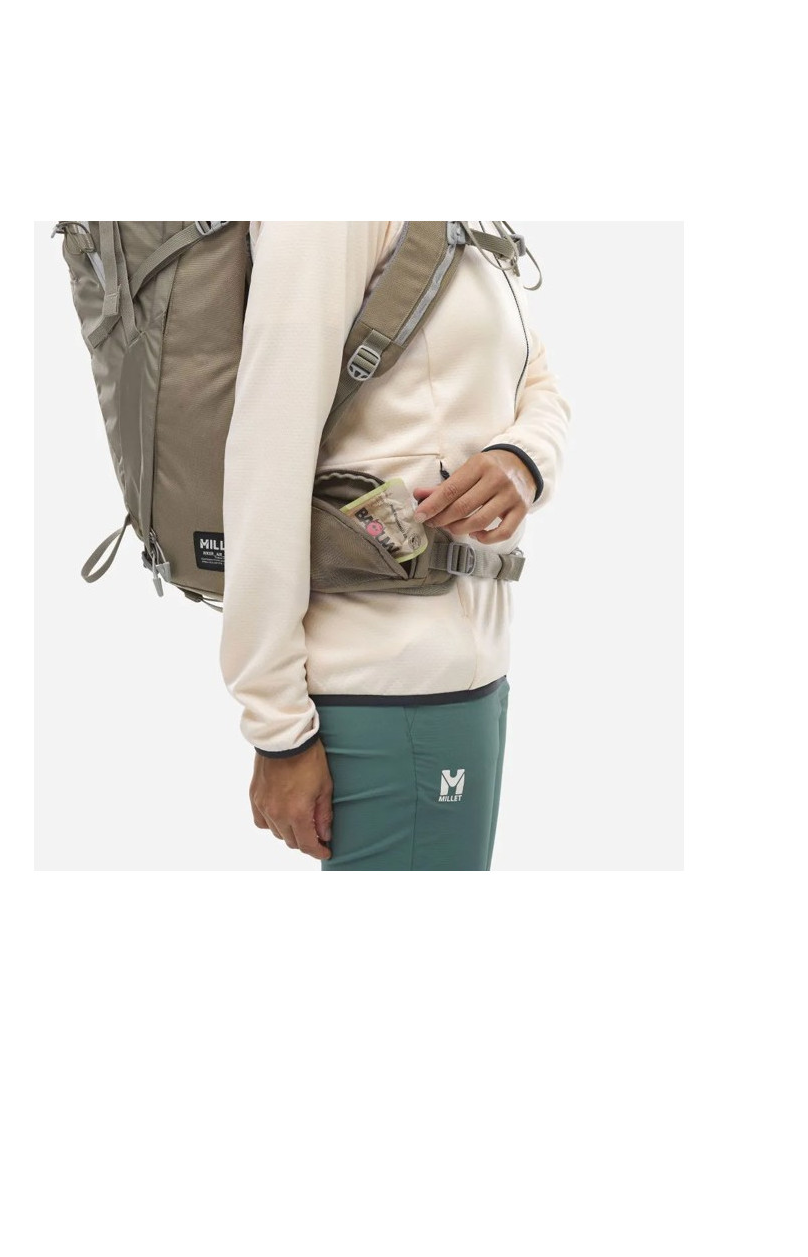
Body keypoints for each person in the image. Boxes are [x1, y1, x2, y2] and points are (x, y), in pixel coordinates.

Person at [220, 222, 571, 870]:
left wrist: (523, 459)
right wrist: (277, 729)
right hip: (381, 685)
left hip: (472, 671)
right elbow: (265, 461)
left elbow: (538, 378)